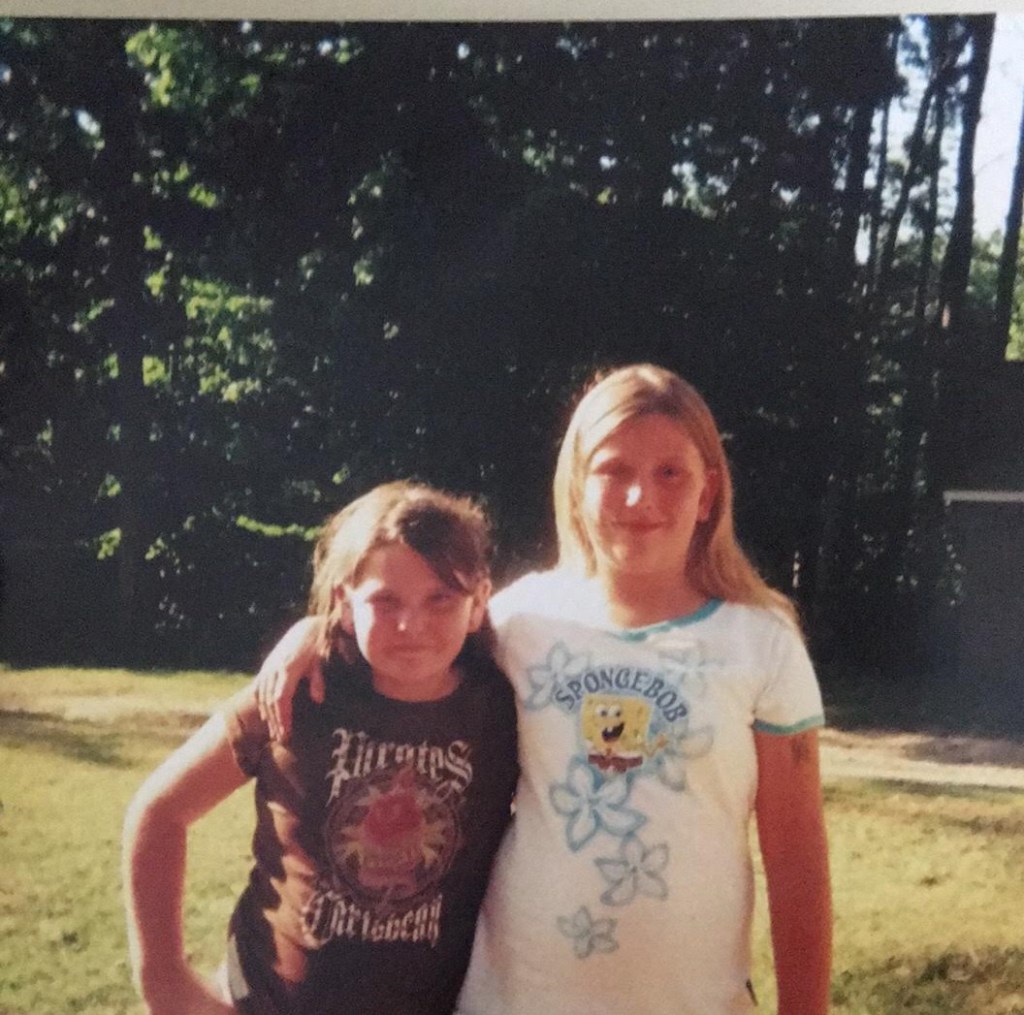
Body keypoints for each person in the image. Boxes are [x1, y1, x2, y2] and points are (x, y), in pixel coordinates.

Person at [255, 364, 832, 1015]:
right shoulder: (520, 619)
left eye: (670, 472)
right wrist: (316, 630)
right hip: (516, 993)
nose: (640, 496)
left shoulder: (761, 640)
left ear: (708, 492)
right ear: (577, 486)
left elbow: (797, 862)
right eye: (613, 470)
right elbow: (409, 637)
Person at [123, 481, 519, 1015]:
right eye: (384, 600)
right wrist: (164, 981)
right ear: (344, 603)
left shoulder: (503, 707)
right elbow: (161, 810)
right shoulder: (298, 693)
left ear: (479, 603)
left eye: (441, 598)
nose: (412, 625)